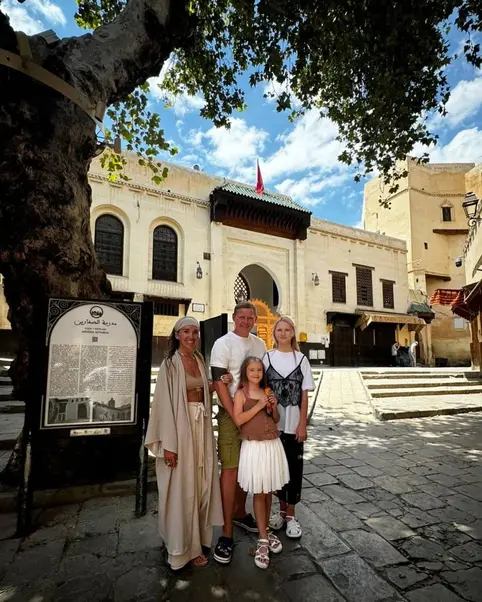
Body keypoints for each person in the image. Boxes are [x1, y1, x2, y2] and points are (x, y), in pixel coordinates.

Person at [145, 317, 230, 570]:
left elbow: (201, 390)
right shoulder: (170, 364)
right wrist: (169, 445)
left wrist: (217, 384)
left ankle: (199, 541)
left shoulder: (200, 360)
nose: (191, 336)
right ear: (177, 335)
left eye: (195, 332)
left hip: (200, 427)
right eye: (186, 332)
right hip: (179, 430)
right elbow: (163, 405)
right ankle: (182, 550)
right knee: (183, 488)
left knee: (201, 483)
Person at [210, 301, 267, 565]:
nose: (246, 321)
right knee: (231, 468)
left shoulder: (259, 345)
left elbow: (263, 377)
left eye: (250, 317)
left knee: (249, 466)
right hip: (230, 413)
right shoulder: (223, 343)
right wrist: (235, 415)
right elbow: (219, 382)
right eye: (241, 317)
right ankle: (226, 533)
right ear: (234, 317)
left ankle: (239, 513)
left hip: (254, 414)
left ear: (255, 319)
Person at [233, 356, 289, 569]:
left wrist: (273, 406)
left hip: (271, 443)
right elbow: (239, 419)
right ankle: (263, 539)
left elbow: (276, 419)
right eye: (252, 370)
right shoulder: (241, 394)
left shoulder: (267, 391)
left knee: (268, 490)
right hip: (254, 446)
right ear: (245, 372)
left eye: (259, 370)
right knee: (259, 491)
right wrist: (258, 405)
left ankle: (266, 530)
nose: (256, 373)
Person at [263, 316, 314, 539]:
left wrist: (302, 424)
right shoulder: (267, 358)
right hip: (273, 426)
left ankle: (292, 514)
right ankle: (282, 511)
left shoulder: (301, 360)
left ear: (293, 333)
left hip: (293, 425)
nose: (283, 333)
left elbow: (304, 395)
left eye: (287, 329)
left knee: (294, 468)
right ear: (274, 333)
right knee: (277, 469)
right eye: (279, 330)